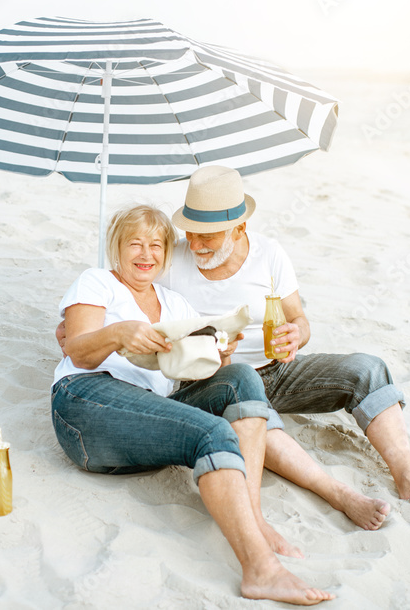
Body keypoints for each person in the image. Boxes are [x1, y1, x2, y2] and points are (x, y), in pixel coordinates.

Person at [51, 204, 334, 606]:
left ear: (167, 253)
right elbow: (78, 351)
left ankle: (251, 513)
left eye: (155, 245)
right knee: (212, 430)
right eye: (135, 244)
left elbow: (200, 373)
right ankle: (260, 570)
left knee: (242, 378)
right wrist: (117, 333)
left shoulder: (176, 305)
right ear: (116, 247)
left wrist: (221, 352)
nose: (146, 255)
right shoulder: (97, 283)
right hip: (85, 402)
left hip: (144, 417)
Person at [162, 165, 410, 503]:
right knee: (247, 410)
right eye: (190, 231)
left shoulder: (269, 255)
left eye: (206, 235)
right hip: (213, 384)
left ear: (239, 228)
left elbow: (299, 318)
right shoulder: (171, 262)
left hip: (275, 371)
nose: (193, 243)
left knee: (366, 369)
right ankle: (335, 491)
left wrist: (296, 334)